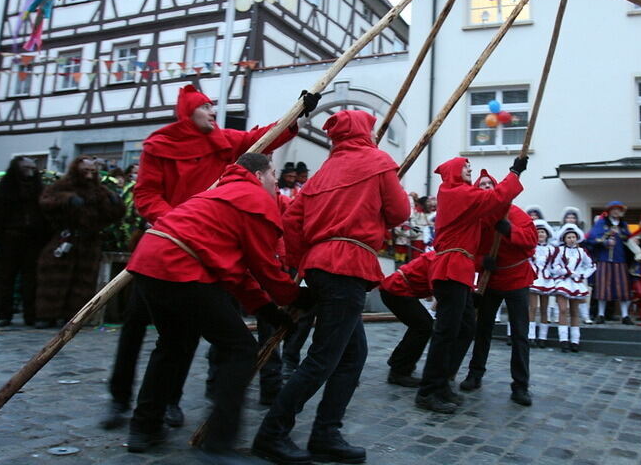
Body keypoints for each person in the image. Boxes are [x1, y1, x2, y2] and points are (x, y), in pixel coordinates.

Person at [101, 84, 316, 430]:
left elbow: (260, 140)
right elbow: (146, 195)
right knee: (137, 327)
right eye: (206, 107)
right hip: (167, 241)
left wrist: (296, 113)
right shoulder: (159, 146)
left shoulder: (224, 140)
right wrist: (177, 221)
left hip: (211, 250)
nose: (214, 112)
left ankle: (168, 404)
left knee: (181, 336)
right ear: (188, 113)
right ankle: (119, 397)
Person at [124, 154, 313, 462]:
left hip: (149, 260)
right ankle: (219, 444)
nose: (276, 181)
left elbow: (234, 272)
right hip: (179, 266)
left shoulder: (221, 191)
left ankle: (143, 428)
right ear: (257, 174)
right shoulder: (254, 198)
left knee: (171, 345)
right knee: (240, 349)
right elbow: (263, 267)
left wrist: (267, 309)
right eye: (272, 174)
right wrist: (293, 297)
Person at [253, 110, 410, 465]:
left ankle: (326, 432)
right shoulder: (378, 160)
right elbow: (400, 212)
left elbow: (292, 220)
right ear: (365, 132)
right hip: (347, 265)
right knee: (324, 357)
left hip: (322, 266)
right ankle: (272, 433)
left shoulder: (322, 173)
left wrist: (301, 261)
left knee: (352, 354)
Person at [415, 155, 526, 414]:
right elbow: (493, 198)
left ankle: (442, 383)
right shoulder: (454, 192)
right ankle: (428, 390)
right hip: (451, 269)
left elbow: (495, 204)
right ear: (454, 171)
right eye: (465, 167)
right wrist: (514, 174)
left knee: (465, 328)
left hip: (460, 270)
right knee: (445, 333)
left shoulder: (461, 194)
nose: (469, 170)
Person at [459, 170, 537, 407]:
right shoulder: (476, 219)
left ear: (495, 188)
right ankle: (475, 374)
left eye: (488, 183)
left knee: (520, 334)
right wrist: (482, 262)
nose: (484, 186)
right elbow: (465, 251)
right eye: (480, 184)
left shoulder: (514, 213)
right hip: (489, 280)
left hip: (517, 280)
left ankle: (520, 386)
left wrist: (509, 230)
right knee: (482, 330)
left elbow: (532, 240)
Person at [35, 156, 125, 327]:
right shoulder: (61, 186)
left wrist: (115, 204)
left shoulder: (101, 190)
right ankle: (47, 315)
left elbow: (112, 215)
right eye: (86, 171)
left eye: (93, 172)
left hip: (89, 241)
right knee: (54, 280)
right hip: (65, 237)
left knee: (83, 281)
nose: (89, 176)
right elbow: (46, 202)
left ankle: (72, 316)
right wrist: (66, 199)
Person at [0, 157, 49, 327]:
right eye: (26, 168)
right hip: (7, 240)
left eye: (33, 168)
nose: (31, 171)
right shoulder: (4, 190)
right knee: (4, 279)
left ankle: (31, 314)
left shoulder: (40, 190)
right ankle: (2, 314)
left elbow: (46, 218)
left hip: (33, 240)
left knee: (32, 280)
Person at [379, 251, 436, 387]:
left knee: (421, 325)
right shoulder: (441, 259)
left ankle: (397, 362)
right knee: (423, 326)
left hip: (395, 290)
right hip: (396, 290)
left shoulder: (438, 256)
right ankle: (399, 371)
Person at [586, 201, 633, 325]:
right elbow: (592, 238)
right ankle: (600, 314)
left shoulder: (623, 225)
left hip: (620, 259)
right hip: (604, 259)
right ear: (609, 211)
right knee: (603, 288)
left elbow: (629, 240)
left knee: (622, 288)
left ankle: (625, 315)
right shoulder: (602, 223)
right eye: (614, 209)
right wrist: (604, 242)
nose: (616, 212)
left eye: (618, 209)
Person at [549, 224, 595, 353]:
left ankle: (575, 340)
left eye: (573, 237)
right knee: (563, 310)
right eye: (569, 237)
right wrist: (565, 271)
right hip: (563, 282)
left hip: (576, 283)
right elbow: (554, 266)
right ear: (564, 239)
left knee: (575, 311)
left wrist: (582, 275)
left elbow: (591, 265)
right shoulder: (559, 250)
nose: (571, 239)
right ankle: (563, 340)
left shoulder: (581, 251)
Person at [529, 219, 556, 347]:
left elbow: (555, 265)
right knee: (533, 308)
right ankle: (531, 336)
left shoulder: (552, 249)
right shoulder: (531, 248)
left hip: (546, 280)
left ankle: (543, 337)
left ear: (547, 234)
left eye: (543, 232)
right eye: (538, 232)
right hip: (534, 280)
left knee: (545, 309)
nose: (541, 235)